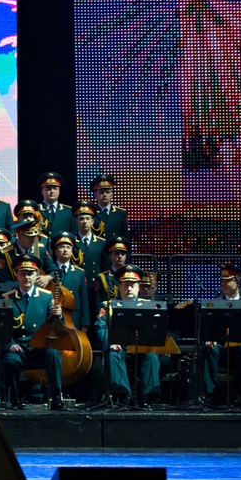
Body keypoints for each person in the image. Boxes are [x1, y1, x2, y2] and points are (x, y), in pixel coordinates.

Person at [0, 257, 66, 410]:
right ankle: (15, 399)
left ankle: (56, 397)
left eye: (30, 274)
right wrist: (10, 345)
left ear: (36, 275)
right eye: (23, 274)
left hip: (38, 346)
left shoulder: (46, 296)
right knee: (10, 361)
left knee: (53, 354)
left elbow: (54, 324)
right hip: (18, 347)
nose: (27, 277)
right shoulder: (7, 298)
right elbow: (1, 327)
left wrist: (59, 315)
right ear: (17, 276)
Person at [93, 264, 161, 407]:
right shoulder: (108, 306)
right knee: (113, 354)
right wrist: (110, 342)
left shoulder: (148, 306)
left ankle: (148, 397)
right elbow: (100, 328)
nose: (129, 289)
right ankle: (123, 396)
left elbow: (156, 329)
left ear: (138, 287)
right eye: (126, 285)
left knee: (152, 356)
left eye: (132, 285)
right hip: (120, 347)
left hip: (141, 346)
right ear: (119, 287)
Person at [199, 261, 241, 408]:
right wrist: (210, 339)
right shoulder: (215, 304)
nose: (224, 283)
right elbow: (207, 329)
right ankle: (209, 396)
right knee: (209, 348)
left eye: (228, 280)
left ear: (237, 281)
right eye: (222, 280)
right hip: (222, 348)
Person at [91, 174, 129, 239]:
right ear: (95, 195)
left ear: (111, 195)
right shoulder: (91, 213)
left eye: (107, 192)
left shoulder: (120, 213)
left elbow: (125, 237)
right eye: (101, 192)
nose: (105, 195)